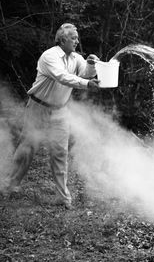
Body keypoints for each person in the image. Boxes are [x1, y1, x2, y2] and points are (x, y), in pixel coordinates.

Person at [3, 23, 100, 209]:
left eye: (77, 38)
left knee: (60, 152)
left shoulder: (76, 58)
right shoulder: (49, 56)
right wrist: (87, 84)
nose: (77, 41)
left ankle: (63, 198)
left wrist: (90, 64)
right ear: (62, 39)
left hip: (61, 110)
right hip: (38, 107)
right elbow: (62, 76)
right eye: (74, 38)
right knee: (28, 147)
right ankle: (10, 185)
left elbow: (86, 75)